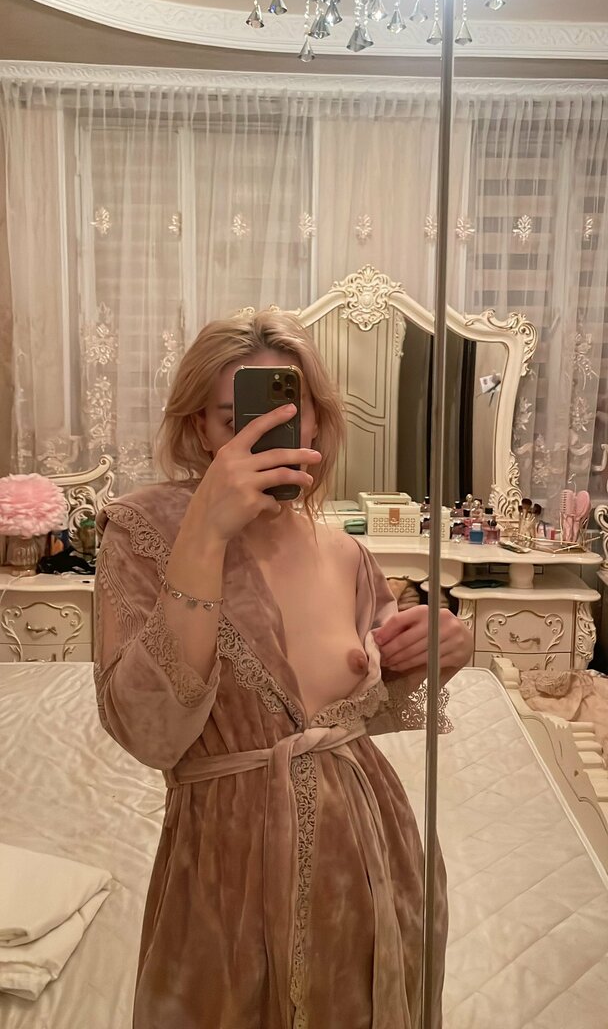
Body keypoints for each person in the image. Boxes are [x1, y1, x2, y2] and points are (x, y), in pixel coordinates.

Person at [94, 310, 473, 1029]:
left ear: (317, 421)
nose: (266, 434)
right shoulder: (143, 533)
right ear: (202, 429)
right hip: (226, 871)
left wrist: (434, 652)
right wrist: (206, 533)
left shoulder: (346, 554)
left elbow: (361, 709)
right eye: (236, 416)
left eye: (288, 413)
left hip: (376, 863)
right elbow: (149, 730)